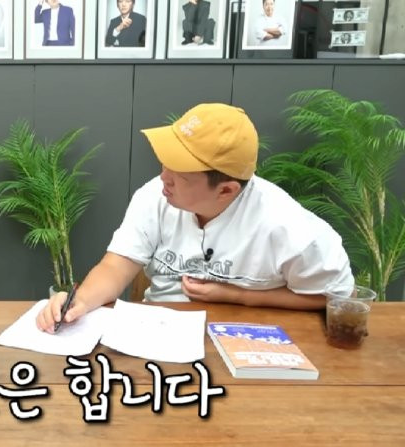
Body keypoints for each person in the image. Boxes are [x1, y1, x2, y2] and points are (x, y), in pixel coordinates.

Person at [36, 103, 353, 333]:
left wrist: (238, 296)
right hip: (155, 334)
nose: (164, 177)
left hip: (250, 338)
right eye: (165, 163)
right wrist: (80, 301)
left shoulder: (288, 226)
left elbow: (336, 296)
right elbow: (116, 266)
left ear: (226, 190)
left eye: (180, 174)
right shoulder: (154, 196)